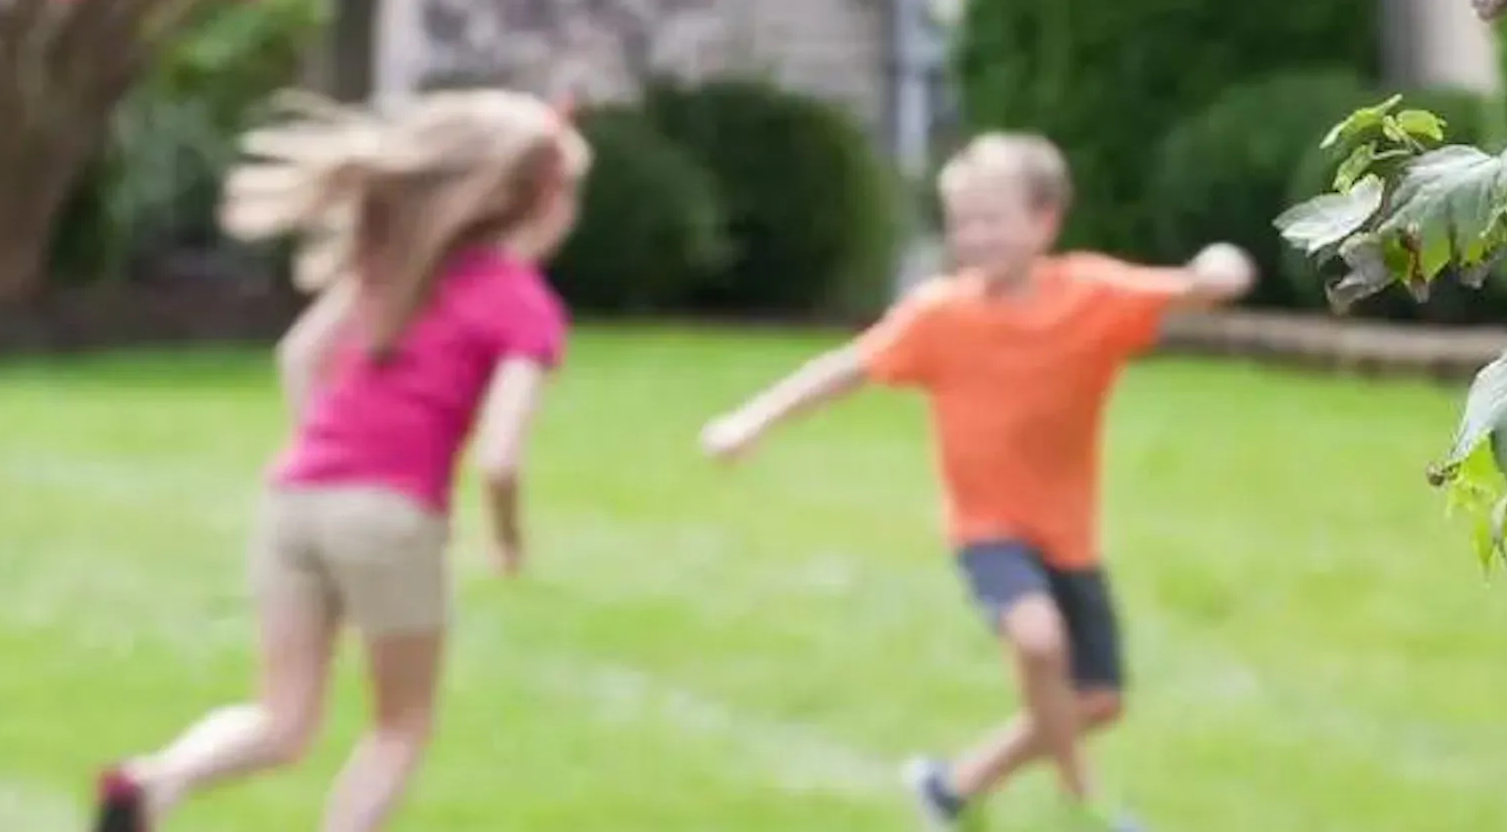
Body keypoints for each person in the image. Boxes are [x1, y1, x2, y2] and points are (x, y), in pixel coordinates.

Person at [700, 131, 1254, 831]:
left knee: (1097, 702)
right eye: (962, 221)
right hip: (987, 527)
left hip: (1070, 535)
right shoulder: (941, 315)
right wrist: (752, 421)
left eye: (991, 218)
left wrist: (1223, 267)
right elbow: (848, 368)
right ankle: (1084, 806)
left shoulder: (1092, 294)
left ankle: (952, 785)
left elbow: (1194, 290)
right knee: (1038, 640)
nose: (973, 236)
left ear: (1045, 222)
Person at [90, 89, 590, 832]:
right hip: (390, 517)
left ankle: (155, 782)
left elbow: (298, 358)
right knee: (400, 727)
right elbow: (500, 458)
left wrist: (324, 459)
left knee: (283, 719)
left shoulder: (392, 266)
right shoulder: (522, 305)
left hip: (295, 500)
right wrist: (509, 539)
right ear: (544, 202)